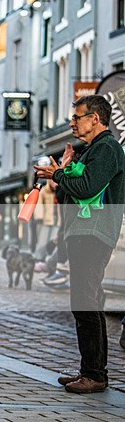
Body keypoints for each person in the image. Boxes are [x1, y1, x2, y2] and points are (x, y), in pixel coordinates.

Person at [35, 95, 125, 394]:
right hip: (84, 231)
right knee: (87, 301)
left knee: (86, 301)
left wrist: (59, 174)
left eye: (77, 117)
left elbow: (87, 188)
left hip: (94, 233)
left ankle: (95, 375)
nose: (72, 122)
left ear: (95, 119)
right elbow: (70, 193)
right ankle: (91, 370)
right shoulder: (91, 150)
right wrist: (64, 171)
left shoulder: (107, 148)